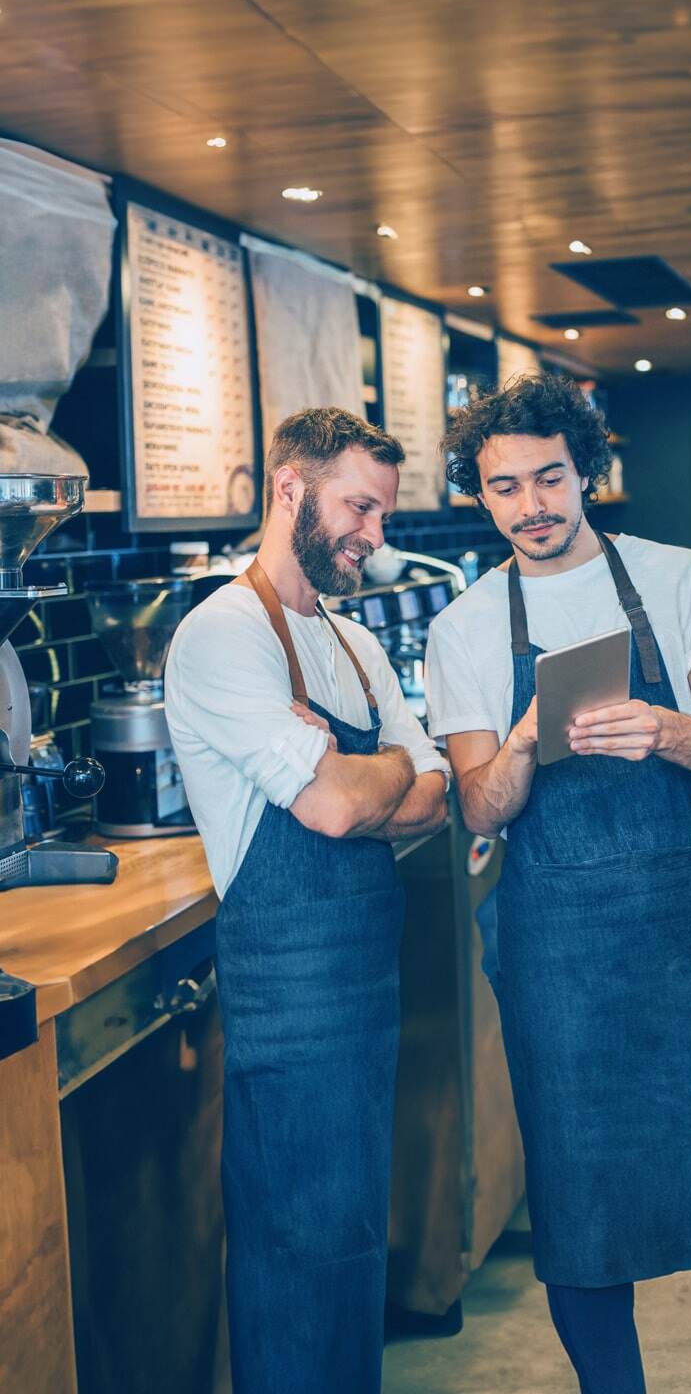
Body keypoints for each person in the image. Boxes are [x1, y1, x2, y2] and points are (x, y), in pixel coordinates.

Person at [424, 374, 691, 1394]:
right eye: (504, 487)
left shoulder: (675, 576)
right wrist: (522, 742)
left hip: (681, 915)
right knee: (577, 1175)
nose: (532, 504)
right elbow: (482, 806)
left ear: (585, 468)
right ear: (481, 494)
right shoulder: (462, 628)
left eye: (550, 476)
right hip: (552, 935)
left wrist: (664, 728)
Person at [165, 408, 448, 1394]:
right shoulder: (220, 636)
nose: (374, 532)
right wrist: (373, 778)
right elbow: (333, 806)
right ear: (291, 489)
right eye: (359, 506)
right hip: (288, 1015)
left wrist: (362, 774)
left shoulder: (353, 642)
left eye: (381, 510)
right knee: (294, 1250)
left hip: (366, 1000)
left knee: (352, 1245)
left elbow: (432, 791)